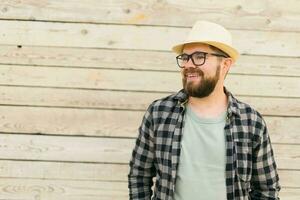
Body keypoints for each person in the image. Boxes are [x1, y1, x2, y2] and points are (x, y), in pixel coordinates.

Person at [128, 20, 280, 200]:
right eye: (185, 57)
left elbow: (267, 190)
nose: (188, 65)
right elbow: (139, 175)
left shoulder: (250, 121)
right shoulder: (159, 113)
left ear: (225, 64)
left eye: (199, 56)